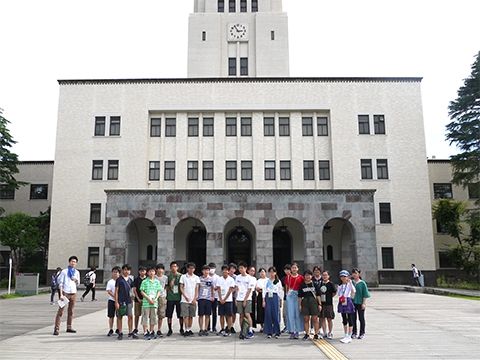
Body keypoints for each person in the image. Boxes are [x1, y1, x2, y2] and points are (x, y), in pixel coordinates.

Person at [53, 256, 80, 336]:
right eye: (72, 261)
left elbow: (78, 283)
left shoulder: (77, 272)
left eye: (74, 262)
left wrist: (76, 279)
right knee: (61, 311)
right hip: (65, 292)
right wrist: (61, 294)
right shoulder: (64, 272)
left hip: (73, 293)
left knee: (71, 311)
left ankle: (69, 327)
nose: (73, 263)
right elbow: (60, 284)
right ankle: (56, 328)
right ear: (69, 262)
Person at [298, 269, 322, 341]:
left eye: (309, 275)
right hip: (305, 302)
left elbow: (318, 295)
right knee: (306, 319)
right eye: (306, 275)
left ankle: (316, 334)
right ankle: (306, 334)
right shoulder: (302, 285)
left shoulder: (315, 285)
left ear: (311, 276)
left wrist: (320, 304)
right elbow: (300, 296)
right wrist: (300, 305)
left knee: (315, 319)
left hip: (314, 302)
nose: (307, 277)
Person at [115, 264, 137, 340]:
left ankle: (130, 332)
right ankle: (120, 332)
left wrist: (132, 301)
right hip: (121, 301)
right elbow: (116, 291)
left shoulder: (131, 280)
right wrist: (116, 302)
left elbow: (132, 291)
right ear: (123, 270)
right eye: (125, 269)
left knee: (130, 316)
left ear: (130, 271)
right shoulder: (119, 279)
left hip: (128, 301)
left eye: (128, 270)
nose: (126, 271)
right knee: (120, 316)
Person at [140, 266, 162, 340]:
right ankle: (145, 332)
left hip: (154, 303)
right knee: (145, 317)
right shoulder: (144, 281)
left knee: (153, 317)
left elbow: (159, 291)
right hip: (146, 302)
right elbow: (142, 291)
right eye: (150, 271)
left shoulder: (157, 282)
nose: (151, 273)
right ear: (147, 272)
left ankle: (152, 331)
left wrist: (156, 298)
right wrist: (148, 298)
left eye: (153, 271)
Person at [235, 261, 255, 339]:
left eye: (242, 268)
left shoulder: (249, 278)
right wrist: (236, 298)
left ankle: (250, 330)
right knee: (241, 315)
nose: (240, 269)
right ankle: (242, 330)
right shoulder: (237, 277)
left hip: (247, 298)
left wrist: (245, 300)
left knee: (247, 314)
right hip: (239, 298)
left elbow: (249, 290)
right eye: (239, 268)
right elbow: (236, 288)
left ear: (246, 268)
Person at [179, 262, 200, 337]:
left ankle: (189, 329)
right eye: (190, 268)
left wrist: (195, 298)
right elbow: (181, 287)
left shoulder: (196, 277)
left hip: (193, 299)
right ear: (187, 268)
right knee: (186, 316)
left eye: (193, 268)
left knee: (191, 315)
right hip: (185, 299)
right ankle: (186, 329)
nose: (191, 270)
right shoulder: (183, 277)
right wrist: (185, 296)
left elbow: (197, 288)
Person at [262, 266, 283, 339]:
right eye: (270, 272)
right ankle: (269, 331)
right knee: (268, 314)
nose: (271, 273)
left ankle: (277, 332)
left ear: (275, 273)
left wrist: (281, 301)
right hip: (268, 297)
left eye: (273, 272)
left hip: (275, 297)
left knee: (275, 314)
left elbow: (280, 292)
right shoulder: (266, 281)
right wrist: (263, 301)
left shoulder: (278, 281)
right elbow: (264, 291)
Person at [285, 262, 304, 339]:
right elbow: (286, 287)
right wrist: (287, 294)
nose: (294, 269)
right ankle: (291, 331)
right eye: (292, 268)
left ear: (298, 268)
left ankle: (297, 331)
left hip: (298, 295)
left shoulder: (301, 277)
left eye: (295, 267)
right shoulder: (288, 277)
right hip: (290, 295)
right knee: (290, 314)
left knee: (297, 313)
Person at [337, 269, 356, 344]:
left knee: (350, 318)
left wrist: (350, 284)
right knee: (344, 318)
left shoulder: (349, 285)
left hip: (348, 301)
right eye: (342, 277)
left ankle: (349, 335)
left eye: (345, 276)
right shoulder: (340, 286)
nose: (343, 278)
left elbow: (354, 291)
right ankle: (345, 334)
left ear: (348, 277)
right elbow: (338, 293)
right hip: (342, 301)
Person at [216, 265, 235, 337]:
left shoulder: (231, 279)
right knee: (221, 315)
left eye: (226, 270)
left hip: (228, 300)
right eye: (223, 270)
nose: (225, 271)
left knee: (229, 315)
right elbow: (218, 289)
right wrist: (220, 299)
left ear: (228, 271)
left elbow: (230, 290)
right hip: (220, 300)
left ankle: (229, 329)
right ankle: (222, 329)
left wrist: (224, 299)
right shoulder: (219, 279)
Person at [351, 268, 370, 339]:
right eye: (353, 273)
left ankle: (362, 332)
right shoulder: (351, 282)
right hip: (352, 303)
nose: (354, 275)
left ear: (359, 274)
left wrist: (364, 303)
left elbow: (365, 294)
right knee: (353, 318)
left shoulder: (362, 283)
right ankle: (354, 332)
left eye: (356, 273)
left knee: (361, 318)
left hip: (360, 302)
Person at [166, 261, 184, 336]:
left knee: (180, 315)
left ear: (177, 267)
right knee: (169, 315)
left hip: (179, 298)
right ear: (170, 268)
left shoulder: (181, 276)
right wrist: (170, 285)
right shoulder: (169, 277)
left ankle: (181, 328)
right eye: (172, 267)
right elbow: (166, 288)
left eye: (175, 266)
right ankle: (170, 329)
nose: (173, 268)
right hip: (170, 298)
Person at [197, 264, 214, 336]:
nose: (206, 271)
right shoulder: (199, 279)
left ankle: (206, 329)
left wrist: (213, 296)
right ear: (202, 271)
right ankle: (201, 329)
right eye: (205, 270)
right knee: (201, 315)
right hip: (201, 298)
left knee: (207, 315)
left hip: (208, 298)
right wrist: (197, 296)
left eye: (207, 270)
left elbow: (213, 288)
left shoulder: (211, 279)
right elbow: (197, 288)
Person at [319, 270, 336, 340]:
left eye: (326, 275)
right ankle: (324, 332)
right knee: (322, 318)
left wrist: (329, 297)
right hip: (322, 303)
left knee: (329, 319)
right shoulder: (320, 284)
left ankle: (330, 332)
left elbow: (334, 292)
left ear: (329, 276)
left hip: (329, 303)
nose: (324, 276)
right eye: (323, 275)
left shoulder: (331, 284)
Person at [132, 265, 147, 335]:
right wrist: (138, 298)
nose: (142, 272)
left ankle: (146, 329)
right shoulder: (136, 279)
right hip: (137, 300)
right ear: (139, 272)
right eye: (141, 271)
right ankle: (136, 327)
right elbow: (134, 289)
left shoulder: (147, 280)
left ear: (146, 272)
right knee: (137, 314)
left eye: (143, 271)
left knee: (145, 315)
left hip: (146, 300)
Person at [106, 266, 121, 337]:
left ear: (119, 273)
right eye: (114, 272)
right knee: (111, 315)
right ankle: (111, 329)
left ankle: (118, 329)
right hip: (111, 300)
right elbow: (109, 291)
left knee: (119, 316)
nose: (115, 274)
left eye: (117, 272)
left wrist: (118, 298)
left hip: (119, 301)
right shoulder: (110, 282)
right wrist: (115, 296)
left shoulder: (121, 281)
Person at [155, 263, 168, 338]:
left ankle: (159, 329)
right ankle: (151, 329)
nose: (160, 270)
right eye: (159, 269)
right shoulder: (154, 277)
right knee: (153, 314)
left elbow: (166, 286)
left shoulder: (165, 278)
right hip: (154, 297)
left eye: (161, 269)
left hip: (162, 297)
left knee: (161, 314)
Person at [208, 262, 220, 333]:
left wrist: (214, 289)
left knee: (214, 312)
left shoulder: (217, 277)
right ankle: (208, 327)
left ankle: (214, 327)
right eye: (210, 268)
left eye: (213, 268)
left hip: (215, 297)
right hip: (208, 297)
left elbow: (218, 287)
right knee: (208, 313)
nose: (212, 269)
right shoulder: (207, 277)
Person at [310, 265, 323, 334]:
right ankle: (312, 327)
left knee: (320, 313)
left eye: (318, 270)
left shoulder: (323, 279)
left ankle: (320, 327)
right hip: (313, 298)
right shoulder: (311, 279)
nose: (316, 272)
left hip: (322, 297)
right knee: (313, 313)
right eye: (315, 270)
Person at [255, 267, 268, 333]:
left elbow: (266, 289)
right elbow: (257, 289)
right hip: (260, 296)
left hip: (267, 296)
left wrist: (262, 289)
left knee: (267, 311)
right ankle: (262, 326)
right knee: (260, 311)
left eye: (263, 272)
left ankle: (267, 325)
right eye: (261, 272)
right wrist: (261, 289)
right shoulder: (258, 281)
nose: (262, 273)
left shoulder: (268, 280)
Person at [281, 264, 291, 333]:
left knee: (292, 313)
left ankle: (292, 327)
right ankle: (286, 326)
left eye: (288, 269)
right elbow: (282, 288)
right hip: (285, 298)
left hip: (293, 298)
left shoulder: (294, 278)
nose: (286, 271)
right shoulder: (283, 279)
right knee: (285, 313)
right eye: (285, 270)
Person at [228, 263, 238, 333]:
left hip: (234, 296)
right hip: (227, 297)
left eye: (233, 269)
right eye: (230, 268)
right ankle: (228, 325)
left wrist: (232, 291)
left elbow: (237, 287)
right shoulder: (226, 277)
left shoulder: (236, 277)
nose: (232, 270)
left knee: (234, 312)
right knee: (227, 312)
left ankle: (232, 325)